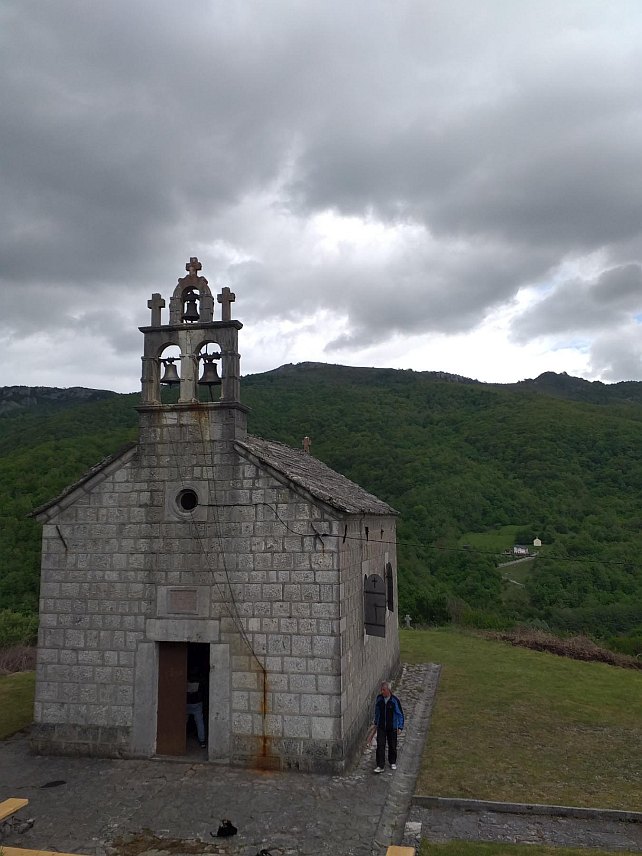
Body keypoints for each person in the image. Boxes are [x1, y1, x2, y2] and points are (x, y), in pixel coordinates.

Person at [373, 680, 404, 773]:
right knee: (380, 745)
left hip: (392, 727)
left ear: (388, 690)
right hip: (381, 726)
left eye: (384, 690)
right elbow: (377, 711)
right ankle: (380, 765)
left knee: (392, 745)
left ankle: (392, 761)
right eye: (381, 690)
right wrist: (376, 721)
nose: (382, 692)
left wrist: (400, 726)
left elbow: (400, 714)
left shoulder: (394, 701)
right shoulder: (379, 699)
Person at [186, 669, 206, 748]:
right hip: (197, 704)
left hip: (186, 703)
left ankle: (179, 738)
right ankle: (202, 741)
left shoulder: (186, 680)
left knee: (182, 722)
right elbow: (203, 691)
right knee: (199, 722)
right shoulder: (200, 681)